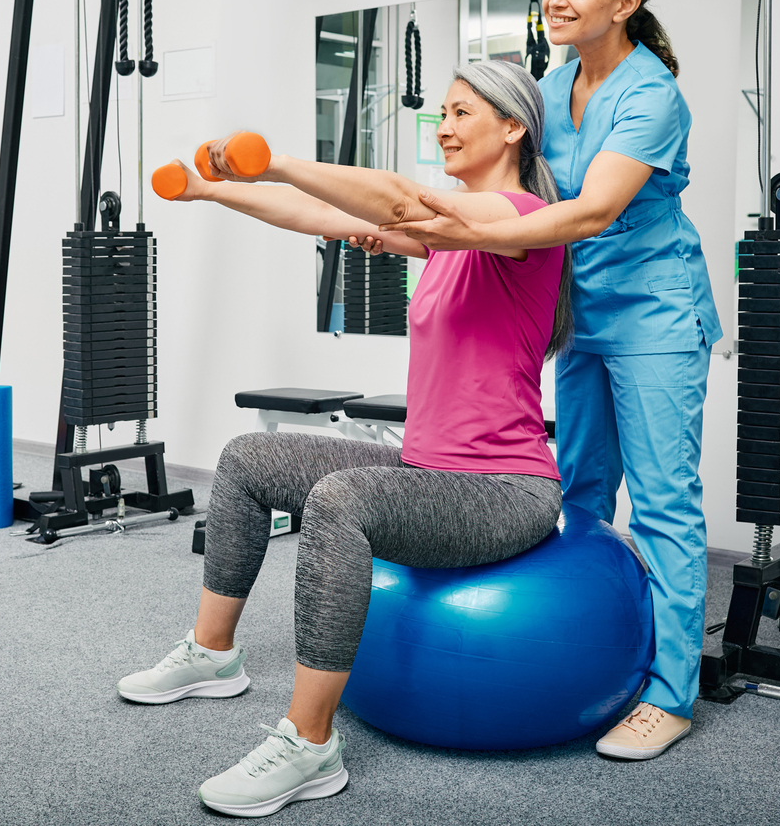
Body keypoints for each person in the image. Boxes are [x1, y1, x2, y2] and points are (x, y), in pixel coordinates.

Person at [121, 60, 569, 817]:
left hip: (504, 491)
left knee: (338, 501)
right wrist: (212, 189)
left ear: (513, 127)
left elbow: (400, 196)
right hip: (429, 468)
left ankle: (309, 743)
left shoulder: (520, 220)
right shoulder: (444, 234)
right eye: (443, 114)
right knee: (248, 459)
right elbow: (320, 219)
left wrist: (285, 158)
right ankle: (212, 654)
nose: (446, 126)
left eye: (463, 113)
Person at [379, 0, 723, 761]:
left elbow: (590, 212)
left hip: (652, 317)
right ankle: (582, 658)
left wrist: (453, 233)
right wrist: (418, 228)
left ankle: (671, 693)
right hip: (580, 317)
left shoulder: (650, 96)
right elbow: (514, 191)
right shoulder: (551, 81)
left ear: (626, 2)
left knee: (663, 503)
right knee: (578, 488)